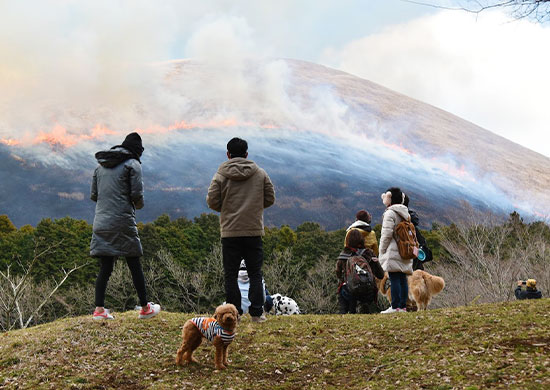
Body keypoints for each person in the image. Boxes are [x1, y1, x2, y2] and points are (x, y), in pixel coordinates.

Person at [90, 132, 161, 320]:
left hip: (101, 221)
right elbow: (136, 194)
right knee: (134, 261)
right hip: (122, 221)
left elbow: (94, 195)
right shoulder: (133, 164)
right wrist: (138, 206)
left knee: (105, 266)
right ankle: (145, 308)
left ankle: (99, 310)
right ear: (137, 150)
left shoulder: (100, 166)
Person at [207, 137, 275, 323]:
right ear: (246, 154)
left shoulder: (220, 175)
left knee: (230, 274)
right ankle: (256, 313)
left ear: (228, 154)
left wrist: (227, 209)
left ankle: (233, 314)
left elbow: (212, 201)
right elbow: (270, 198)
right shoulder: (259, 174)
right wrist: (254, 207)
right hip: (253, 230)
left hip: (230, 231)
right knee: (255, 272)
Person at [379, 187, 413, 314]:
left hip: (393, 250)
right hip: (405, 249)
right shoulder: (406, 214)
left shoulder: (390, 213)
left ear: (390, 198)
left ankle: (395, 307)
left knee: (394, 278)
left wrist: (382, 249)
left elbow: (386, 234)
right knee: (402, 278)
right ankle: (403, 306)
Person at [336, 229, 384, 314]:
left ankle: (344, 311)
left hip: (349, 292)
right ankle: (364, 307)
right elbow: (381, 275)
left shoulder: (343, 255)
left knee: (343, 288)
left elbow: (338, 275)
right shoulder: (369, 253)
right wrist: (376, 262)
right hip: (368, 291)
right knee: (367, 293)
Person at [403, 194, 433, 271]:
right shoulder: (409, 225)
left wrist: (414, 251)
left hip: (410, 273)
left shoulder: (408, 227)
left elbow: (423, 252)